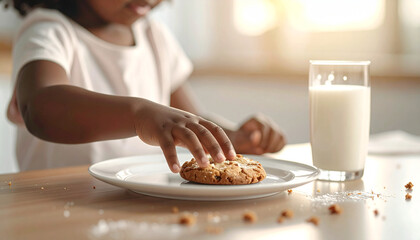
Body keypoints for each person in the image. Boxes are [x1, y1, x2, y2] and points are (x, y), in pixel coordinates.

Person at [4, 0, 286, 172]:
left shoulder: (154, 35)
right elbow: (39, 107)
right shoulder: (48, 30)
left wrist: (231, 137)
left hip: (136, 205)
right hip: (56, 208)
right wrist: (139, 115)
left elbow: (186, 119)